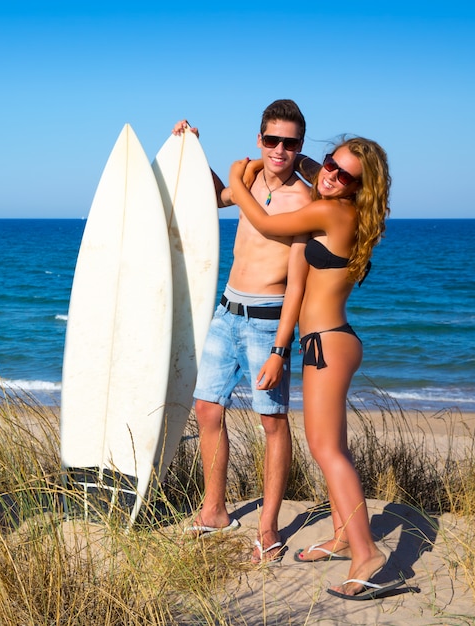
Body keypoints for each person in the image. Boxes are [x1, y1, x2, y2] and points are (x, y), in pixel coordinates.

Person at [229, 138, 400, 598]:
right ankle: (345, 537)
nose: (329, 175)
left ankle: (367, 553)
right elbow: (317, 172)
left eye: (344, 175)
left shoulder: (329, 213)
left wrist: (233, 180)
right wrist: (313, 165)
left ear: (359, 187)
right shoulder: (349, 212)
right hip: (332, 341)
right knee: (333, 446)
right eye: (329, 164)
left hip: (326, 345)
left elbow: (264, 221)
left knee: (327, 451)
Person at [174, 99, 312, 564]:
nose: (279, 149)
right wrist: (194, 150)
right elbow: (216, 197)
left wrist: (280, 348)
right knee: (207, 408)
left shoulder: (305, 200)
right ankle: (214, 509)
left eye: (289, 143)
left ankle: (269, 529)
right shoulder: (248, 179)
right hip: (227, 309)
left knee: (272, 422)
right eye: (272, 140)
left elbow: (297, 284)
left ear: (299, 147)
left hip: (269, 320)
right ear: (260, 139)